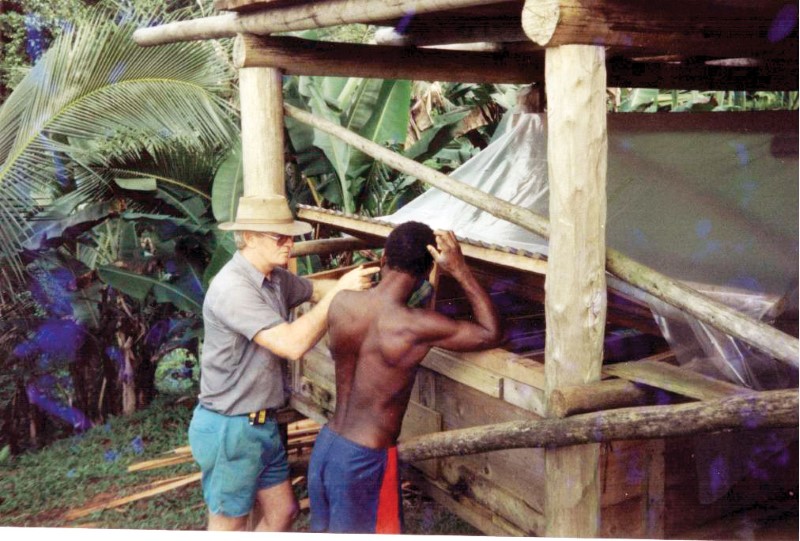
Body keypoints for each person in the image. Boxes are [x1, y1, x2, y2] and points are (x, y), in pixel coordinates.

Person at [188, 195, 379, 532]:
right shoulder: (234, 287)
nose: (289, 243)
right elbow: (292, 345)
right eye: (280, 237)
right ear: (250, 237)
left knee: (283, 511)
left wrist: (360, 289)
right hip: (230, 426)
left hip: (260, 424)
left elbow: (315, 289)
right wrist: (339, 294)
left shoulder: (274, 277)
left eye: (291, 235)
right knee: (228, 524)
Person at [308, 221, 502, 534]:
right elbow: (490, 332)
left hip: (328, 446)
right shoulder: (416, 326)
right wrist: (461, 270)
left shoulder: (342, 303)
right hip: (364, 461)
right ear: (428, 272)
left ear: (383, 259)